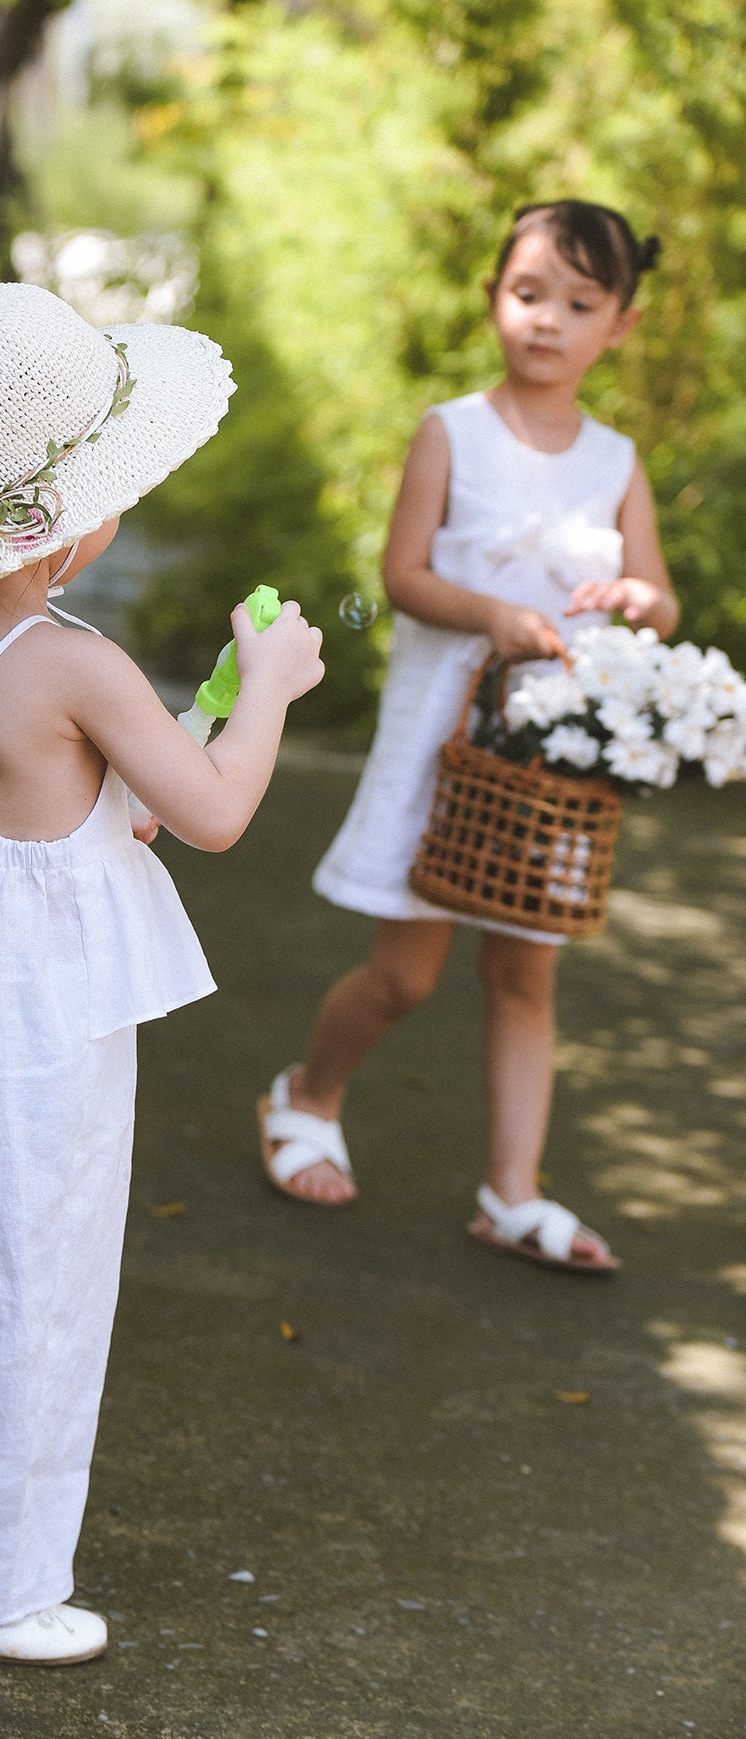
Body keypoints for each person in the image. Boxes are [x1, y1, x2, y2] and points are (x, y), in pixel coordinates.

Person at [0, 282, 324, 1664]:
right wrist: (266, 686)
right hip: (29, 1023)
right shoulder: (73, 660)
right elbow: (217, 814)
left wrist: (115, 775)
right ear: (64, 520)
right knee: (28, 1282)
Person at [258, 199, 678, 1273]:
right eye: (527, 294)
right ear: (494, 297)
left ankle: (510, 1189)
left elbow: (661, 605)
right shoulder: (451, 430)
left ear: (617, 325)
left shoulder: (616, 459)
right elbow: (401, 577)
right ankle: (306, 1093)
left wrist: (634, 599)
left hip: (549, 763)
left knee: (525, 974)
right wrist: (489, 614)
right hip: (447, 737)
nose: (547, 321)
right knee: (404, 974)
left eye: (578, 304)